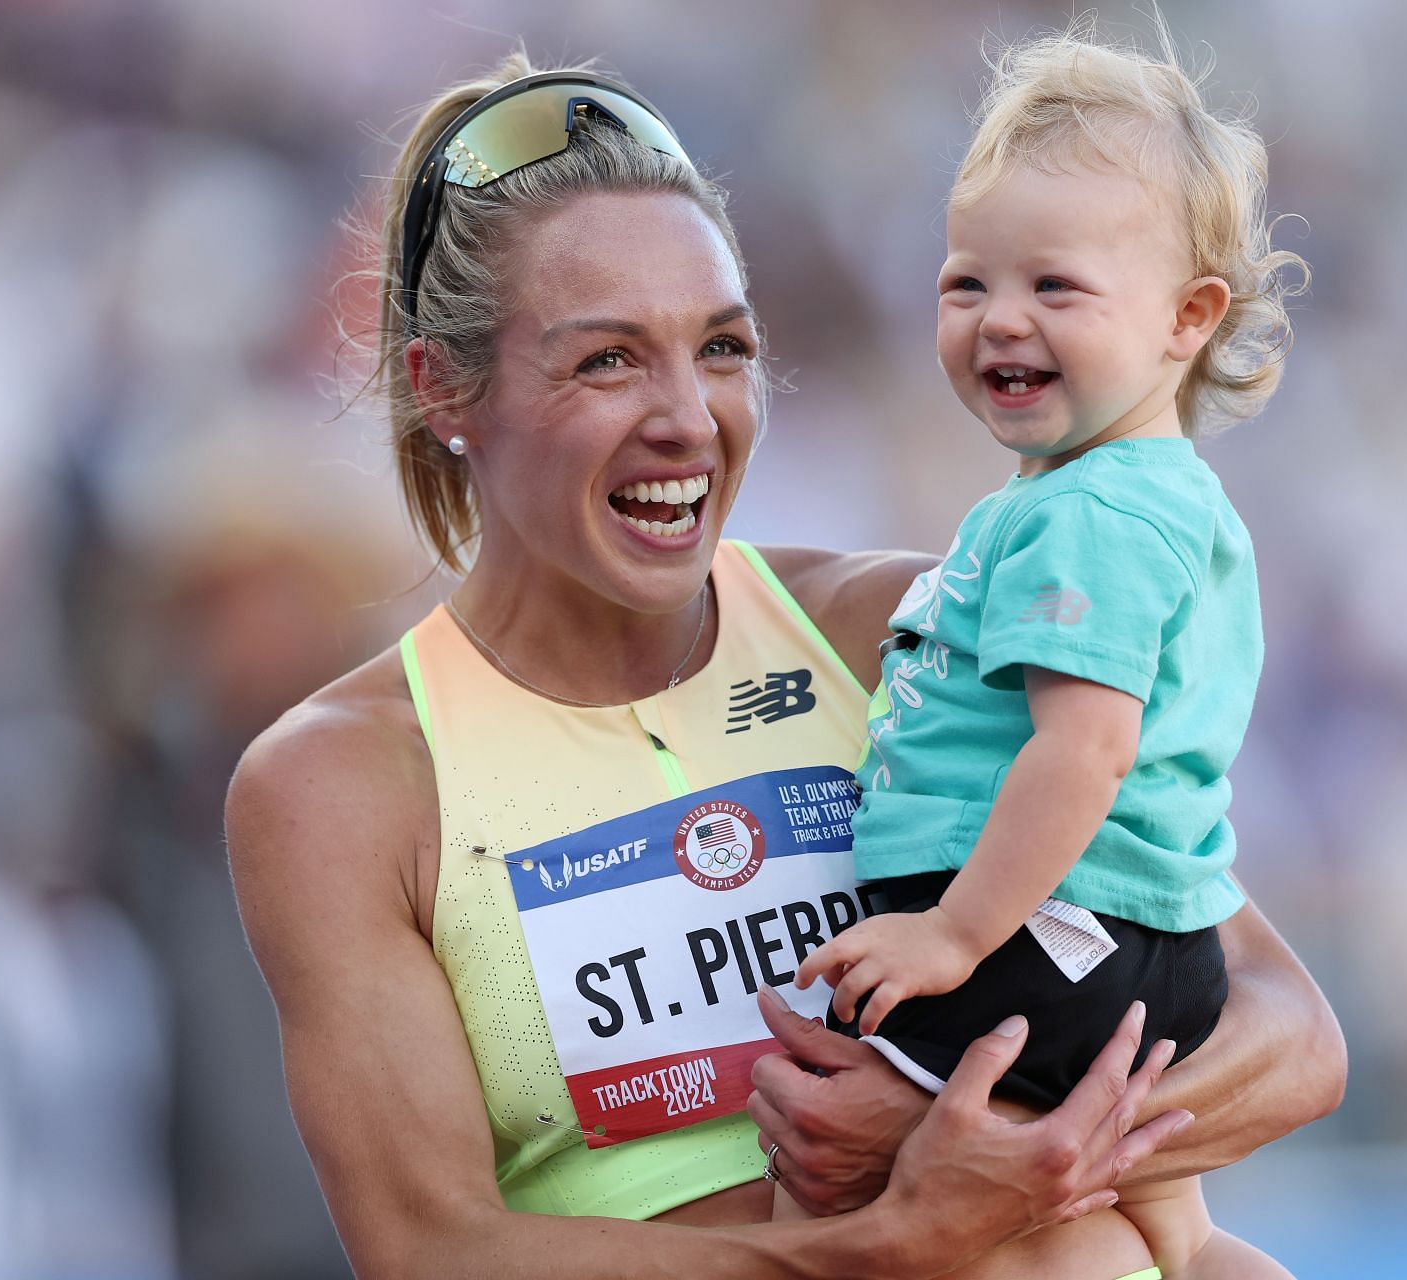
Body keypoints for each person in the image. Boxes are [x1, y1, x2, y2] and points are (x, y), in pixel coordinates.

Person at [224, 50, 1345, 1279]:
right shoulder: (341, 787)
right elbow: (432, 1250)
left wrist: (968, 1126)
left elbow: (1288, 1033)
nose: (689, 419)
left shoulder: (897, 627)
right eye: (607, 359)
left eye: (721, 348)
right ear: (445, 386)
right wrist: (884, 1236)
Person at [784, 28, 1311, 1277]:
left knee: (824, 1175)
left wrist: (953, 936)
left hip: (1038, 938)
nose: (999, 318)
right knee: (1176, 1236)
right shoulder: (1141, 495)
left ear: (1188, 319)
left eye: (1054, 288)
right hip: (1143, 945)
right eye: (967, 284)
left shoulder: (1091, 515)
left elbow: (1086, 750)